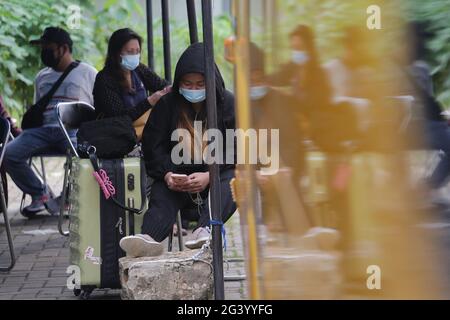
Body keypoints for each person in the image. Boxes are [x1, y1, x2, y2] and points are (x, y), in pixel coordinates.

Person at [119, 42, 237, 257]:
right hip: (178, 179)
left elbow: (237, 150)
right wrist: (167, 174)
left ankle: (206, 229)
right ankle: (149, 238)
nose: (193, 90)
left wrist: (208, 175)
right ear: (179, 82)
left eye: (200, 84)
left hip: (216, 178)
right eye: (188, 84)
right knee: (162, 193)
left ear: (211, 82)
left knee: (232, 178)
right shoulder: (167, 105)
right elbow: (153, 147)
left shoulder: (228, 104)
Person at [3, 27, 97, 218]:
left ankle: (69, 197)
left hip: (73, 131)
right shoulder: (42, 77)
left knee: (82, 153)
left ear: (63, 48)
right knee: (9, 153)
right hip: (43, 131)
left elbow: (96, 107)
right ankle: (41, 194)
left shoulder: (88, 73)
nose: (44, 51)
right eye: (42, 47)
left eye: (48, 47)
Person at [93, 28, 170, 127]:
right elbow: (119, 118)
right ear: (116, 53)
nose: (134, 56)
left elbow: (162, 85)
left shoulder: (139, 69)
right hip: (117, 136)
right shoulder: (104, 79)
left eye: (137, 51)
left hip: (143, 130)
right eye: (130, 52)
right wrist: (149, 101)